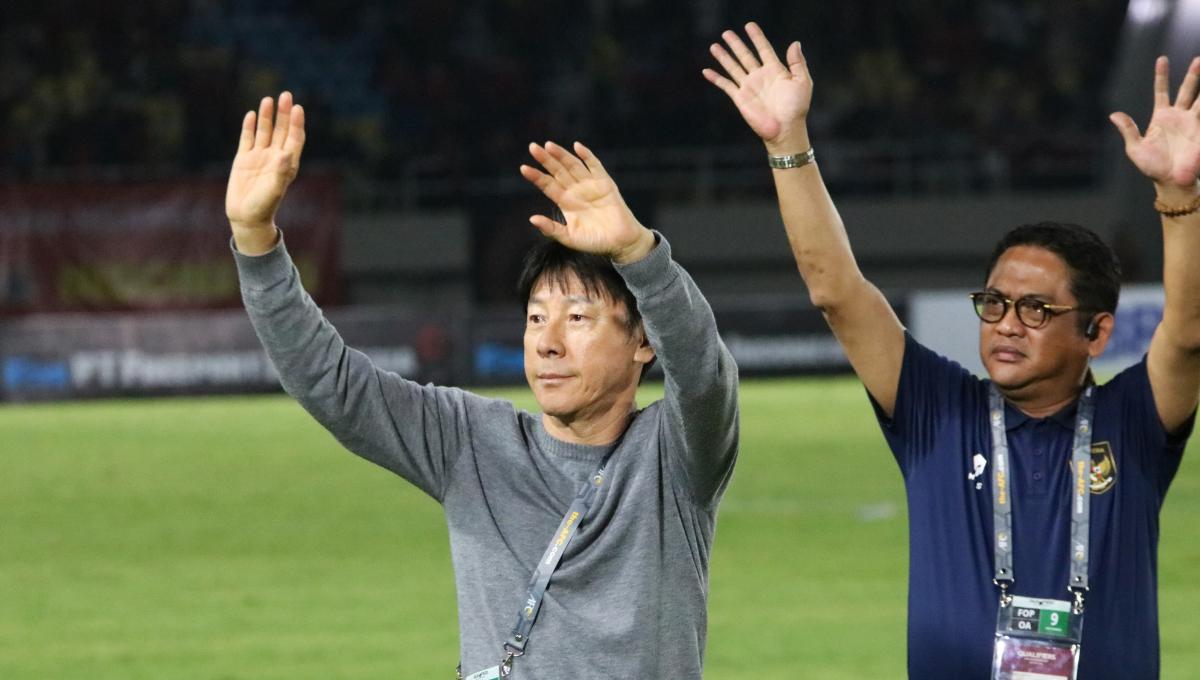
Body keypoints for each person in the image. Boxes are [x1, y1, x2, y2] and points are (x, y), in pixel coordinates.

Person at [705, 22, 1199, 679]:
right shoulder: (937, 408)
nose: (1006, 325)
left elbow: (1189, 332)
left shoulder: (1133, 422)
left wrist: (1179, 197)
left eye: (1035, 310)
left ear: (1097, 333)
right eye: (994, 304)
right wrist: (787, 144)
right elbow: (838, 293)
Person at [224, 92, 738, 679]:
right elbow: (330, 382)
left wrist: (639, 255)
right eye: (536, 318)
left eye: (577, 318)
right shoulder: (471, 442)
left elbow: (703, 376)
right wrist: (255, 237)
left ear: (643, 342)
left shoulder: (675, 459)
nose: (548, 342)